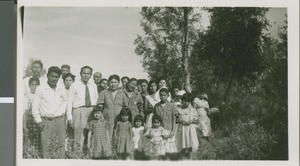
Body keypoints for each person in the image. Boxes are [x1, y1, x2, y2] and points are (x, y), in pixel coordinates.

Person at [32, 66, 67, 159]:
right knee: (47, 148)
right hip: (46, 121)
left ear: (59, 78)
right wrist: (38, 121)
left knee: (60, 147)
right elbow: (34, 106)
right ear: (47, 76)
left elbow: (65, 100)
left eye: (56, 77)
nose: (54, 79)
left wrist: (62, 111)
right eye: (52, 76)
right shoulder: (41, 88)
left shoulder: (61, 88)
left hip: (59, 121)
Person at [67, 66, 98, 153]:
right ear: (80, 74)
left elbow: (96, 98)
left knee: (90, 132)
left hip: (91, 110)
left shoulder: (93, 85)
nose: (86, 75)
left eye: (88, 74)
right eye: (84, 73)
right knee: (79, 133)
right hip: (79, 110)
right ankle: (77, 154)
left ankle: (88, 153)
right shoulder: (74, 85)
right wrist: (69, 117)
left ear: (91, 75)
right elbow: (69, 102)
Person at [97, 74, 128, 139]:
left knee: (118, 135)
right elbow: (99, 106)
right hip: (107, 118)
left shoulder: (122, 93)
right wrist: (101, 117)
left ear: (118, 83)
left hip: (119, 118)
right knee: (107, 135)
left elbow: (125, 106)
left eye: (115, 82)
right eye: (111, 82)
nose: (113, 84)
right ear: (108, 83)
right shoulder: (104, 92)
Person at [153, 88, 177, 157]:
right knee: (160, 148)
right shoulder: (156, 106)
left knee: (169, 148)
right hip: (160, 130)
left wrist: (173, 130)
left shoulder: (172, 105)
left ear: (168, 96)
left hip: (169, 129)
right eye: (161, 95)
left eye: (164, 95)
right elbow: (155, 118)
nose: (162, 97)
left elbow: (174, 118)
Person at [176, 93, 199, 160]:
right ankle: (182, 160)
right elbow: (176, 120)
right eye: (185, 101)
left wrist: (191, 121)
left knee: (190, 145)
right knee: (183, 146)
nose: (186, 103)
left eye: (188, 101)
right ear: (182, 100)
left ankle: (190, 159)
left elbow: (197, 120)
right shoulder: (179, 109)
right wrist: (181, 121)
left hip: (190, 129)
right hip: (182, 129)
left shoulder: (192, 110)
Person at [23, 77, 41, 155]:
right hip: (31, 121)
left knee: (40, 139)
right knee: (31, 140)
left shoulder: (41, 95)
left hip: (40, 120)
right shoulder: (27, 96)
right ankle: (32, 156)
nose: (34, 86)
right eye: (32, 85)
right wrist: (24, 126)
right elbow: (25, 112)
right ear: (29, 86)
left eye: (36, 85)